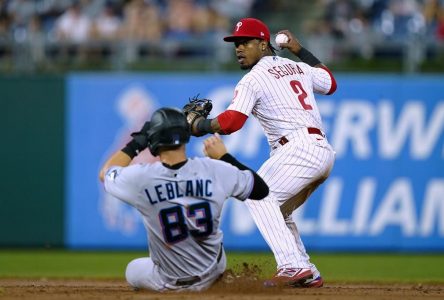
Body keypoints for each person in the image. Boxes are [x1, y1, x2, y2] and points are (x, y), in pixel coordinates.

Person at [186, 18, 337, 288]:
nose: (238, 48)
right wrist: (299, 49)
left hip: (298, 149)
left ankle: (292, 266)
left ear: (263, 44)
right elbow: (329, 82)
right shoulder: (297, 66)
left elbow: (232, 121)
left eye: (245, 42)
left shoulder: (253, 79)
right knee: (279, 210)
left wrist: (200, 126)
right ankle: (307, 270)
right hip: (321, 151)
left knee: (257, 195)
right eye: (236, 43)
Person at [99, 107, 269, 292]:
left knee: (132, 269)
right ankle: (219, 279)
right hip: (213, 273)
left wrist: (138, 142)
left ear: (154, 141)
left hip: (168, 282)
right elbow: (261, 190)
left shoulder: (140, 178)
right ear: (186, 136)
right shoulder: (214, 169)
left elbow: (106, 172)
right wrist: (224, 156)